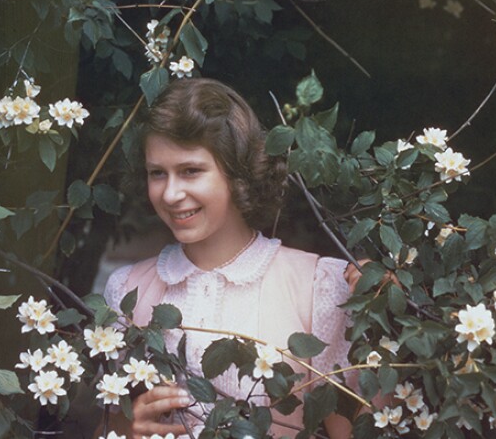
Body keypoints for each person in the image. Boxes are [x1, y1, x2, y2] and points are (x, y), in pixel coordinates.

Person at [103, 78, 363, 438]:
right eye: (157, 173)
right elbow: (109, 424)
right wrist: (127, 428)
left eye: (191, 171)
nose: (171, 194)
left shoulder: (317, 287)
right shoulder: (127, 290)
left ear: (237, 172)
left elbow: (354, 430)